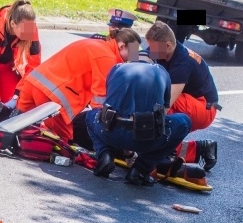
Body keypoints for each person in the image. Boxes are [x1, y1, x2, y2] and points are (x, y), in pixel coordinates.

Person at [13, 27, 142, 143]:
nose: (130, 60)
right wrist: (104, 125)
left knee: (14, 129)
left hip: (33, 84)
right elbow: (100, 98)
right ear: (122, 46)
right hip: (52, 98)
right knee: (64, 144)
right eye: (131, 53)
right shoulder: (107, 58)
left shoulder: (96, 44)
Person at [85, 61, 193, 186]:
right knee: (184, 122)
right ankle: (141, 169)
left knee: (89, 115)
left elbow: (111, 104)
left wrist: (127, 151)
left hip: (110, 132)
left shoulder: (117, 68)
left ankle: (105, 155)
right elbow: (163, 112)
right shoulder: (161, 71)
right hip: (145, 139)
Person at [145, 21, 220, 171]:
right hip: (191, 101)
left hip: (205, 107)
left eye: (153, 48)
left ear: (167, 45)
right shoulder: (160, 49)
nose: (150, 51)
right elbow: (134, 55)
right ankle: (200, 149)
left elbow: (167, 104)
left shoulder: (182, 62)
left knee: (160, 103)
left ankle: (165, 153)